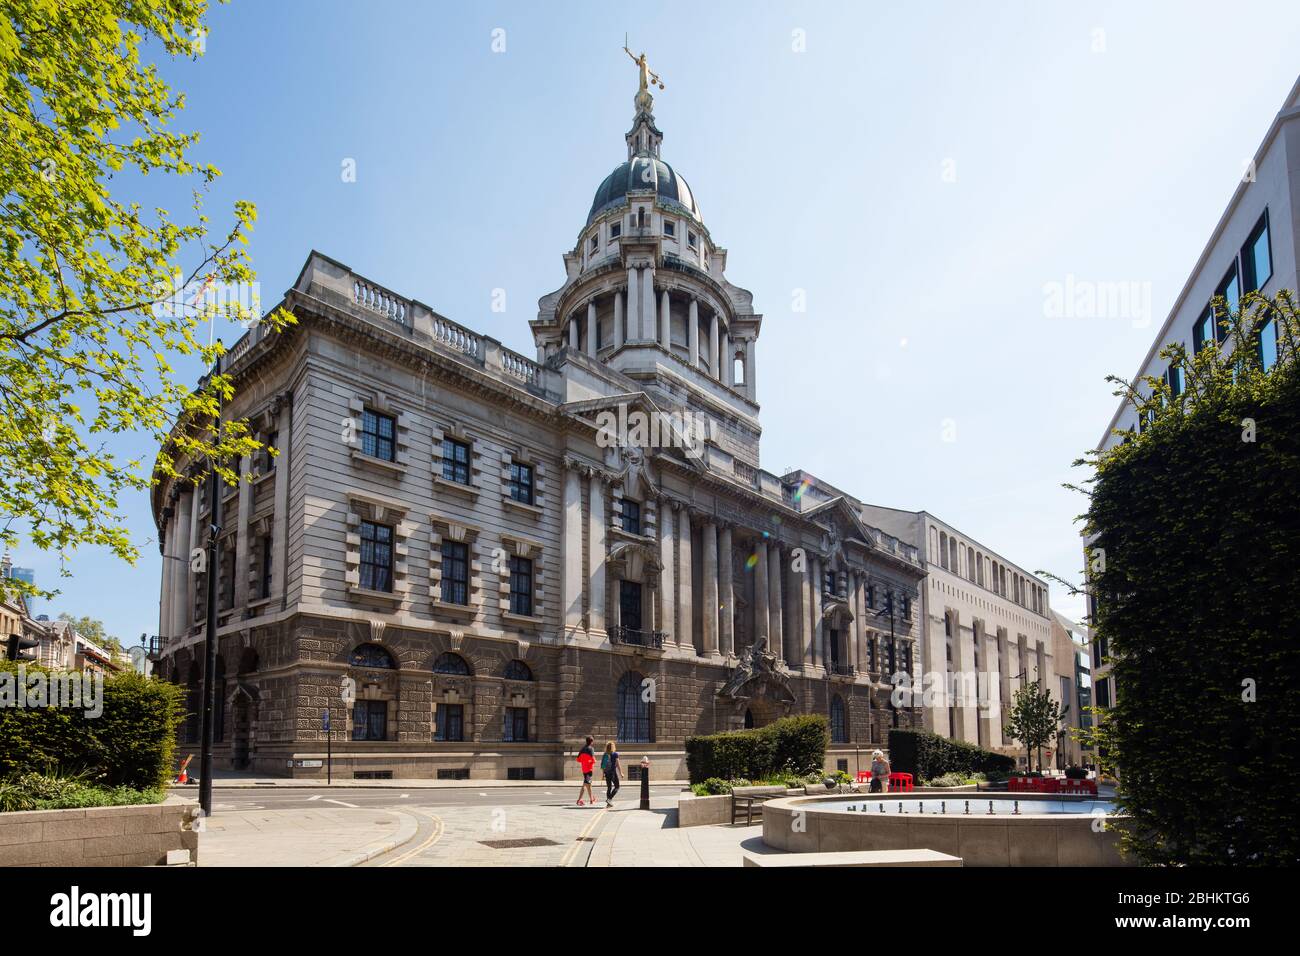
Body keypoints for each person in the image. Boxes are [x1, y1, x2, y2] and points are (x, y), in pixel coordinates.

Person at [576, 736, 596, 806]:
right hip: (589, 769)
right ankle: (579, 800)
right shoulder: (591, 749)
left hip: (584, 769)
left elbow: (578, 759)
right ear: (591, 742)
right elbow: (593, 760)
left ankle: (591, 799)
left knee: (588, 785)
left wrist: (584, 761)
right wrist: (589, 761)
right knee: (585, 784)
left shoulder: (582, 749)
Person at [601, 741, 622, 807]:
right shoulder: (615, 754)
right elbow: (618, 764)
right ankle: (609, 799)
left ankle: (608, 803)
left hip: (607, 773)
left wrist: (603, 774)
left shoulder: (605, 754)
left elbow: (603, 766)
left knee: (609, 787)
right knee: (617, 786)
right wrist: (621, 773)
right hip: (612, 772)